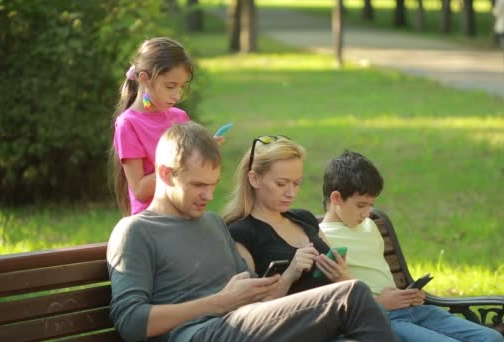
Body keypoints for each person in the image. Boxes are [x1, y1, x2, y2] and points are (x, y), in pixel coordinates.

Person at [107, 122, 397, 342]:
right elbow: (131, 322)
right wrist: (220, 302)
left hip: (243, 322)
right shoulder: (136, 231)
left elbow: (257, 296)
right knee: (350, 295)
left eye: (213, 184)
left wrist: (284, 281)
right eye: (198, 185)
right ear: (165, 173)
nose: (208, 196)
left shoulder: (213, 224)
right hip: (198, 333)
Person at [319, 150, 504, 342]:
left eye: (370, 205)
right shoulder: (322, 238)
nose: (367, 213)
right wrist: (378, 304)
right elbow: (335, 304)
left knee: (492, 338)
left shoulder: (369, 226)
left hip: (414, 310)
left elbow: (379, 277)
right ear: (336, 198)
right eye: (361, 205)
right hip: (381, 319)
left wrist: (407, 295)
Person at [223, 136, 355, 296]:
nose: (291, 193)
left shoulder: (305, 218)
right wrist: (290, 275)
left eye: (296, 183)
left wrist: (342, 276)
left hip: (339, 308)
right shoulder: (241, 233)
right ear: (254, 179)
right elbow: (250, 311)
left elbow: (346, 282)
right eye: (281, 184)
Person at [111, 37, 193, 216]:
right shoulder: (128, 124)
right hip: (151, 222)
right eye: (170, 86)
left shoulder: (180, 117)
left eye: (181, 87)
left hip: (183, 215)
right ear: (144, 79)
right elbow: (140, 190)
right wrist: (184, 164)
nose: (177, 95)